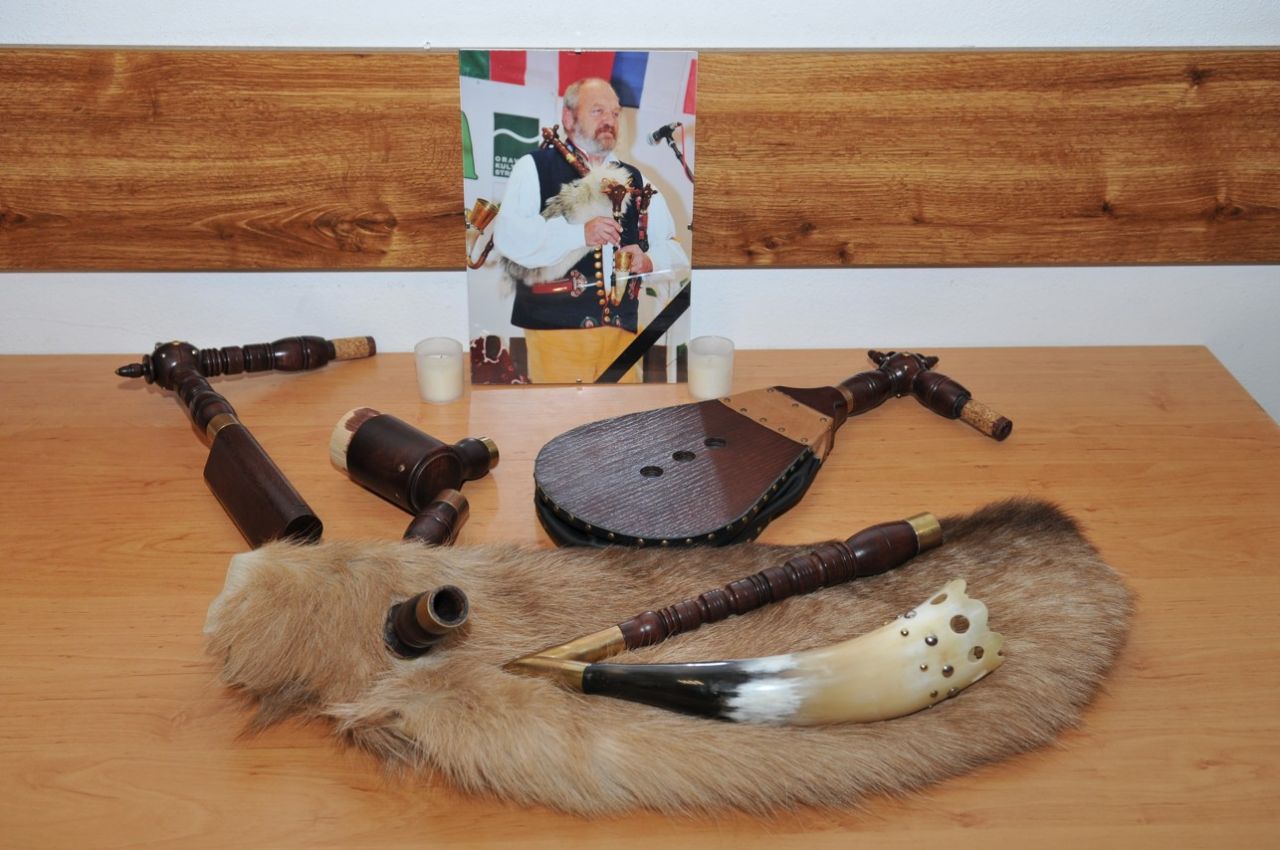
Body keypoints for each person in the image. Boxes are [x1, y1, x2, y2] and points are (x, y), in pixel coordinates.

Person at [493, 77, 689, 383]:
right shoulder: (534, 167)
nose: (609, 120)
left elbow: (675, 252)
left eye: (615, 113)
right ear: (568, 118)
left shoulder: (637, 179)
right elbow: (509, 238)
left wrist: (649, 261)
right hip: (557, 334)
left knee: (624, 415)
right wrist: (578, 234)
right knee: (562, 413)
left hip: (622, 338)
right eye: (598, 111)